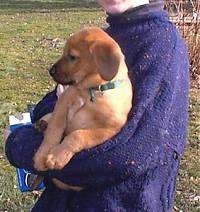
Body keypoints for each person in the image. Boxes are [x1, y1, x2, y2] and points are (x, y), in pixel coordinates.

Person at [5, 0, 189, 211]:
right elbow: (51, 101)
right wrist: (58, 114)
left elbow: (128, 156)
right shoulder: (102, 37)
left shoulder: (162, 46)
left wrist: (23, 145)